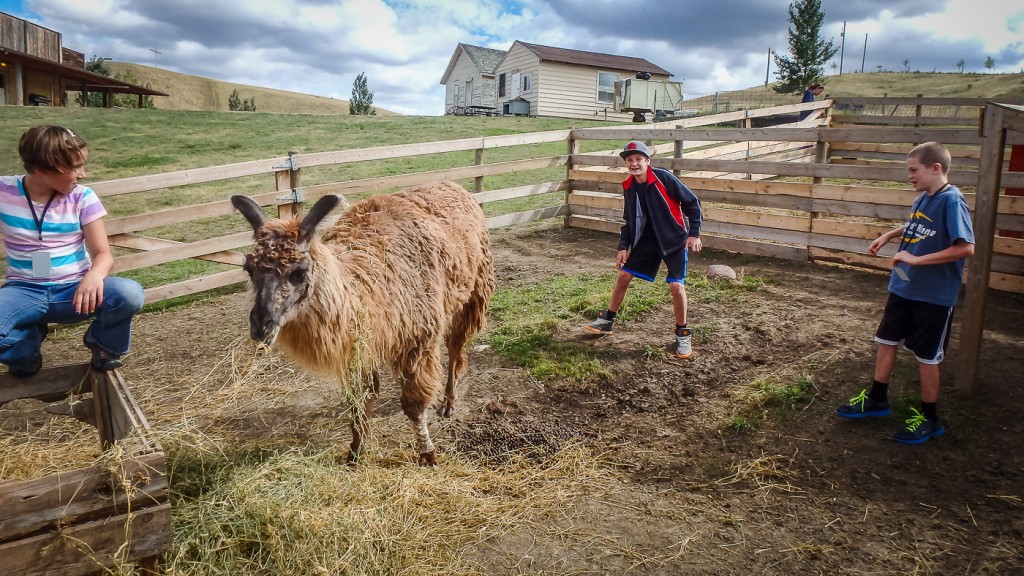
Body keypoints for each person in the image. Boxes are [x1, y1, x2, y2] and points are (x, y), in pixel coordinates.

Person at [835, 141, 975, 445]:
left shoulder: (952, 201)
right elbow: (917, 225)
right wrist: (889, 235)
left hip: (933, 296)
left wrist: (916, 259)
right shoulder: (923, 198)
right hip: (903, 287)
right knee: (886, 341)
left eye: (914, 170)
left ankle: (930, 417)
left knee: (926, 356)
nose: (909, 176)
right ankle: (877, 399)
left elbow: (966, 247)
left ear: (935, 168)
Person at [0, 125, 145, 377]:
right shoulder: (3, 192)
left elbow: (103, 253)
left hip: (75, 291)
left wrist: (94, 276)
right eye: (75, 167)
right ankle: (26, 351)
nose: (83, 174)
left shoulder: (83, 198)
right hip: (23, 291)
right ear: (42, 169)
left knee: (129, 294)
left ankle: (103, 346)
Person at [582, 140, 703, 359]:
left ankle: (682, 334)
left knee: (676, 286)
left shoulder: (664, 178)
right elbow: (629, 219)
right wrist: (623, 247)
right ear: (626, 164)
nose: (634, 163)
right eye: (630, 160)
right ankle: (607, 321)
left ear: (647, 161)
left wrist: (694, 233)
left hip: (674, 240)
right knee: (623, 275)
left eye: (639, 159)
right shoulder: (628, 186)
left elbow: (692, 203)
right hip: (646, 241)